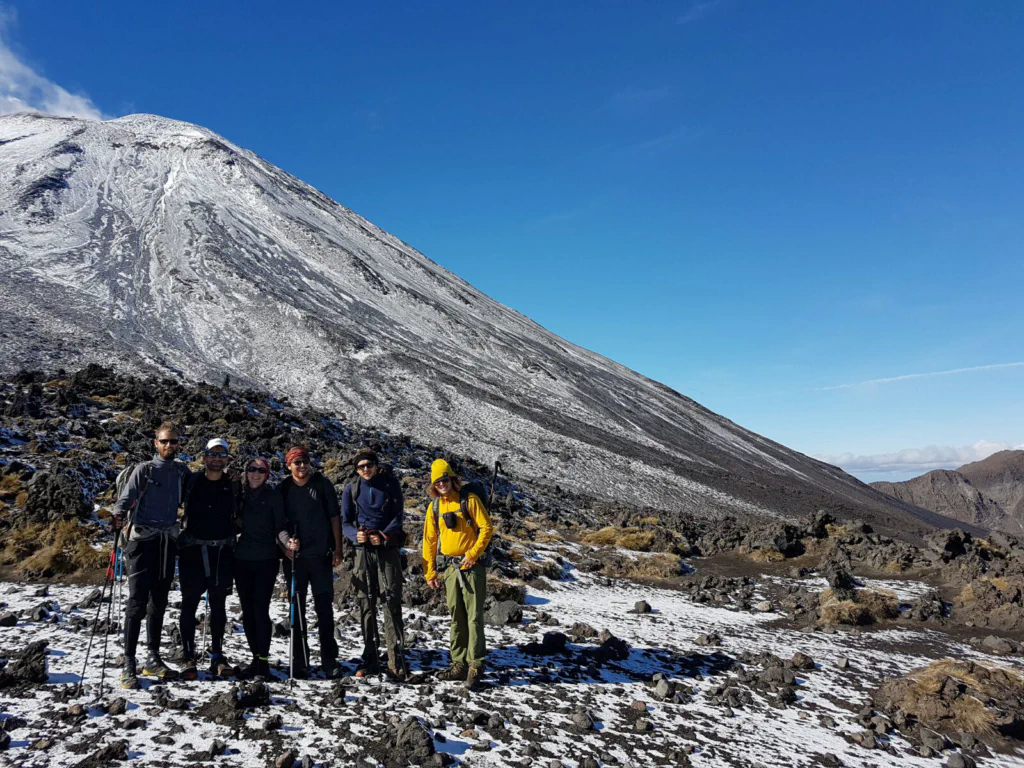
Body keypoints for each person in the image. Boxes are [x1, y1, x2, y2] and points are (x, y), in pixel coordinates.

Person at [112, 421, 190, 689]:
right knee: (136, 602)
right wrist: (117, 515)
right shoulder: (144, 470)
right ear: (155, 443)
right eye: (165, 441)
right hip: (142, 544)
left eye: (174, 441)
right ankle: (129, 662)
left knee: (159, 601)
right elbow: (126, 497)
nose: (170, 445)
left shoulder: (181, 471)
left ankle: (152, 658)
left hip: (166, 543)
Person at [422, 459, 493, 689]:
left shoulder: (469, 500)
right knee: (457, 618)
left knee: (473, 617)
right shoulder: (435, 507)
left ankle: (475, 665)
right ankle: (459, 664)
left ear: (452, 479)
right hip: (451, 569)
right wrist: (430, 571)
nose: (442, 484)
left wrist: (472, 554)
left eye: (445, 479)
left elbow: (486, 528)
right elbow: (429, 540)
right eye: (437, 481)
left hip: (472, 567)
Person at [341, 448, 407, 679]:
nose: (365, 470)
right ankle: (370, 656)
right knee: (365, 602)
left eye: (369, 465)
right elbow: (345, 520)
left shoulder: (390, 485)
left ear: (377, 465)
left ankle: (394, 657)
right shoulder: (352, 488)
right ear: (356, 469)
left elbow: (398, 516)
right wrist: (354, 536)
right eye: (361, 467)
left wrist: (384, 535)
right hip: (363, 550)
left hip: (386, 550)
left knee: (391, 599)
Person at [278, 446, 343, 679]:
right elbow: (278, 522)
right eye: (297, 463)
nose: (302, 466)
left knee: (324, 608)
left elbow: (335, 517)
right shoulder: (283, 488)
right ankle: (300, 658)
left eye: (305, 461)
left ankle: (329, 658)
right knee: (296, 608)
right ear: (289, 466)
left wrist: (338, 548)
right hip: (294, 560)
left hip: (320, 557)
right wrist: (285, 546)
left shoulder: (321, 484)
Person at [177, 437, 239, 680]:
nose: (216, 459)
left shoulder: (234, 485)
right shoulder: (191, 482)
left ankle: (217, 656)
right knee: (189, 603)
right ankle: (188, 656)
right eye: (212, 454)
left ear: (227, 459)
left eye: (221, 455)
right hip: (192, 551)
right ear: (204, 457)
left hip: (222, 552)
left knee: (219, 605)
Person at [234, 457, 290, 680]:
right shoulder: (240, 496)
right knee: (247, 612)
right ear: (246, 472)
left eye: (261, 470)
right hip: (241, 559)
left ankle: (263, 663)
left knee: (260, 610)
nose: (255, 473)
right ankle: (255, 659)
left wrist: (287, 543)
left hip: (266, 560)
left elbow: (280, 527)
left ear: (267, 474)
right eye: (251, 469)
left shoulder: (273, 496)